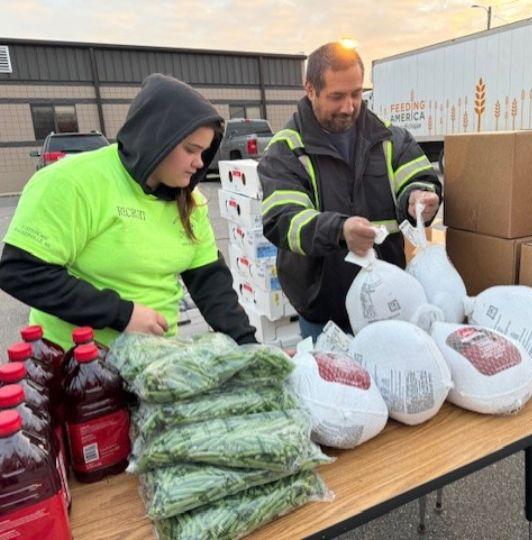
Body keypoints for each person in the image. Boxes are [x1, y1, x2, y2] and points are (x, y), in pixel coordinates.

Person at [0, 74, 258, 349]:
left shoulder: (189, 200)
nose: (199, 163)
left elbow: (209, 283)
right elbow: (21, 271)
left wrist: (248, 345)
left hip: (152, 362)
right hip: (76, 363)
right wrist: (122, 314)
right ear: (157, 139)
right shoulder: (73, 181)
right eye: (191, 150)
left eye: (205, 153)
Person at [258, 41, 442, 341]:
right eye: (337, 96)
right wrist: (339, 230)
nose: (349, 107)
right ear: (310, 89)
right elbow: (284, 219)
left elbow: (420, 177)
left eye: (357, 94)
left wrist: (419, 196)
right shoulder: (286, 150)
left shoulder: (390, 137)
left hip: (388, 302)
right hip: (325, 313)